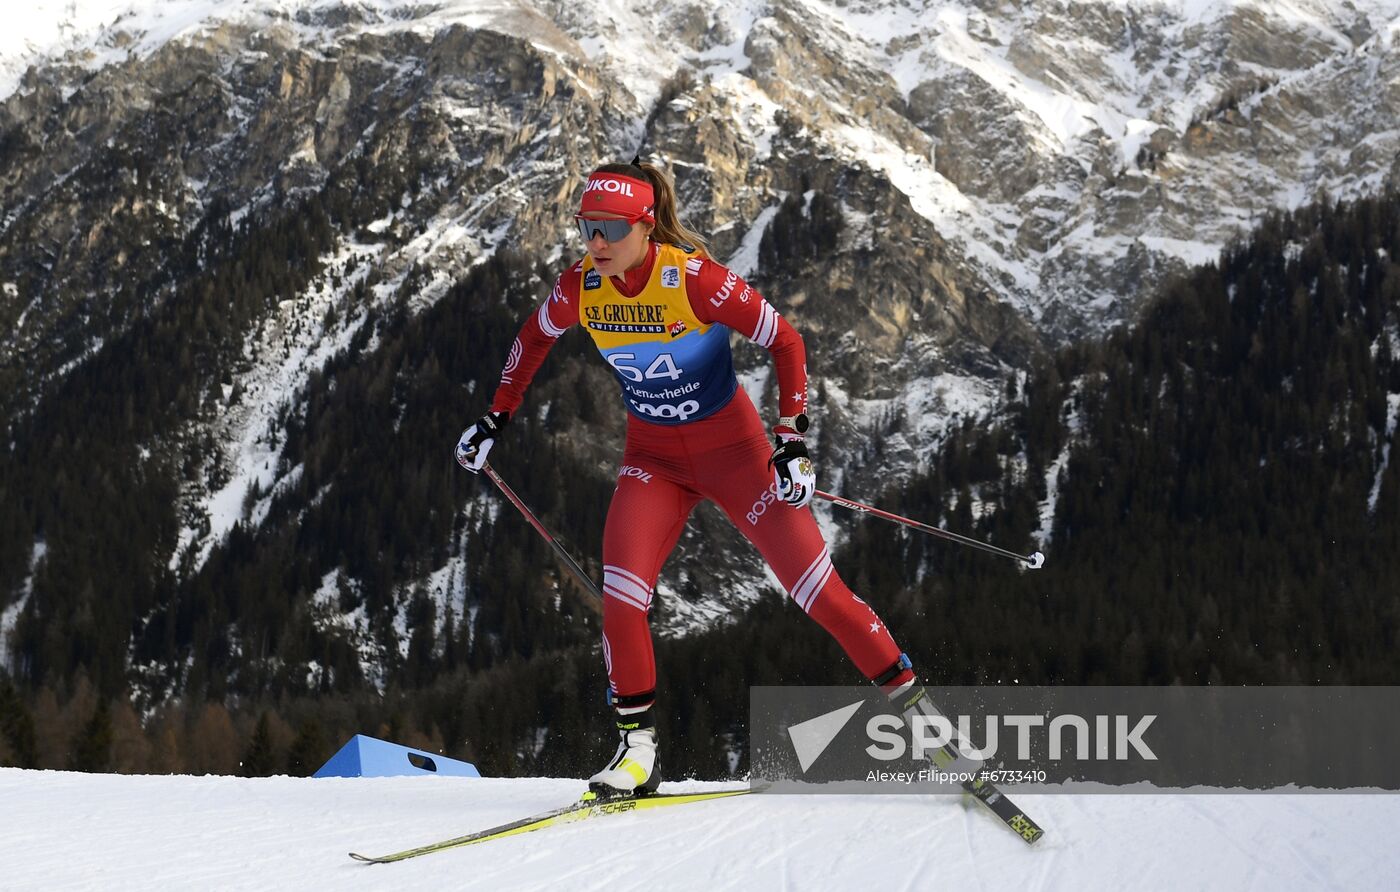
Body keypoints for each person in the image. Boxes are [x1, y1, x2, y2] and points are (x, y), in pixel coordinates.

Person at [455, 158, 918, 797]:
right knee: (620, 601)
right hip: (654, 462)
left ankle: (918, 717)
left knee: (820, 595)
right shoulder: (579, 288)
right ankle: (637, 752)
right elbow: (531, 339)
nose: (595, 242)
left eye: (611, 229)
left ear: (646, 227)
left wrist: (789, 442)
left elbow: (786, 342)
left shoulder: (694, 280)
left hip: (737, 456)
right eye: (587, 226)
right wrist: (494, 419)